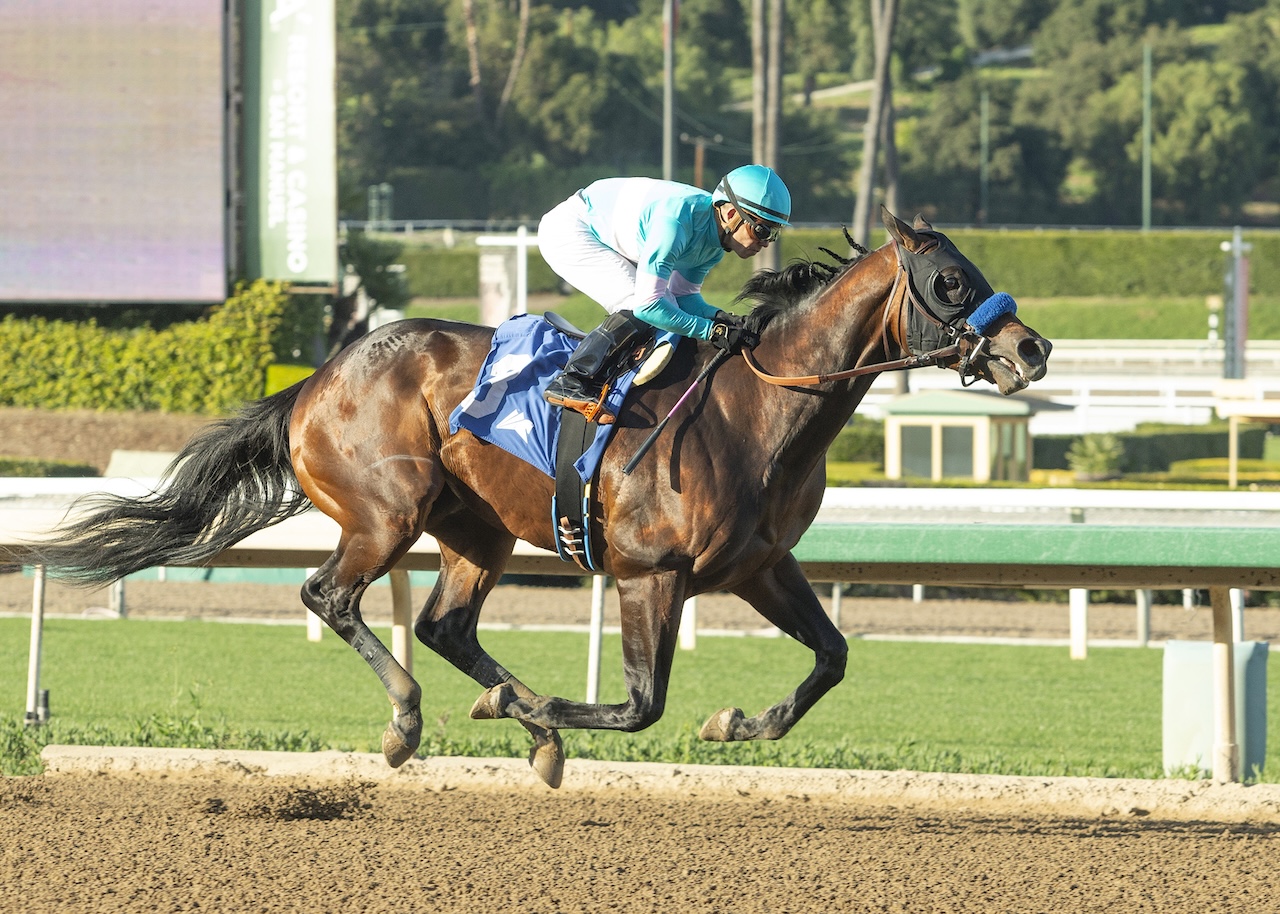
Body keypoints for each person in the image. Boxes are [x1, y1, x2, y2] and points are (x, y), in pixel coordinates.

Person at [537, 164, 791, 423]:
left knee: (663, 304)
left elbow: (684, 297)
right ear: (729, 213)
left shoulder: (714, 245)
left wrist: (723, 319)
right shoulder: (675, 223)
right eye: (761, 230)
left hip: (601, 230)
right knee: (638, 301)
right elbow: (647, 306)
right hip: (569, 230)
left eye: (775, 232)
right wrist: (711, 331)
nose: (767, 241)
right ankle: (572, 380)